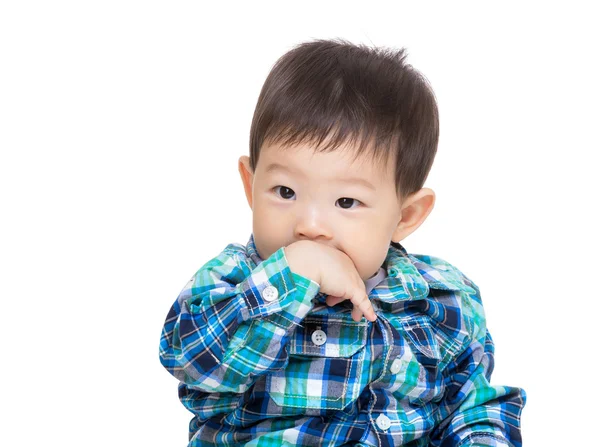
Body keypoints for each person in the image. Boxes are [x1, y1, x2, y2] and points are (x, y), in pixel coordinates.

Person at [159, 38, 526, 446]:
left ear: (406, 216)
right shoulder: (230, 284)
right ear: (250, 184)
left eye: (346, 201)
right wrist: (292, 275)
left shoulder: (442, 299)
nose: (310, 225)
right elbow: (193, 360)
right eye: (285, 192)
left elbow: (471, 405)